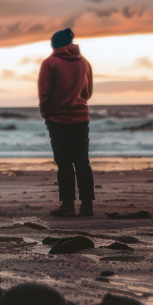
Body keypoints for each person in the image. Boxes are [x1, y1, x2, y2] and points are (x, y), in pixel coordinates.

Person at [38, 28, 95, 217]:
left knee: (63, 163)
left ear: (56, 44)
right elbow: (87, 93)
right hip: (80, 118)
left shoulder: (50, 63)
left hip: (58, 118)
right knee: (82, 161)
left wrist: (46, 112)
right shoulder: (84, 63)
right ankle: (87, 205)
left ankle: (68, 205)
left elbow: (45, 92)